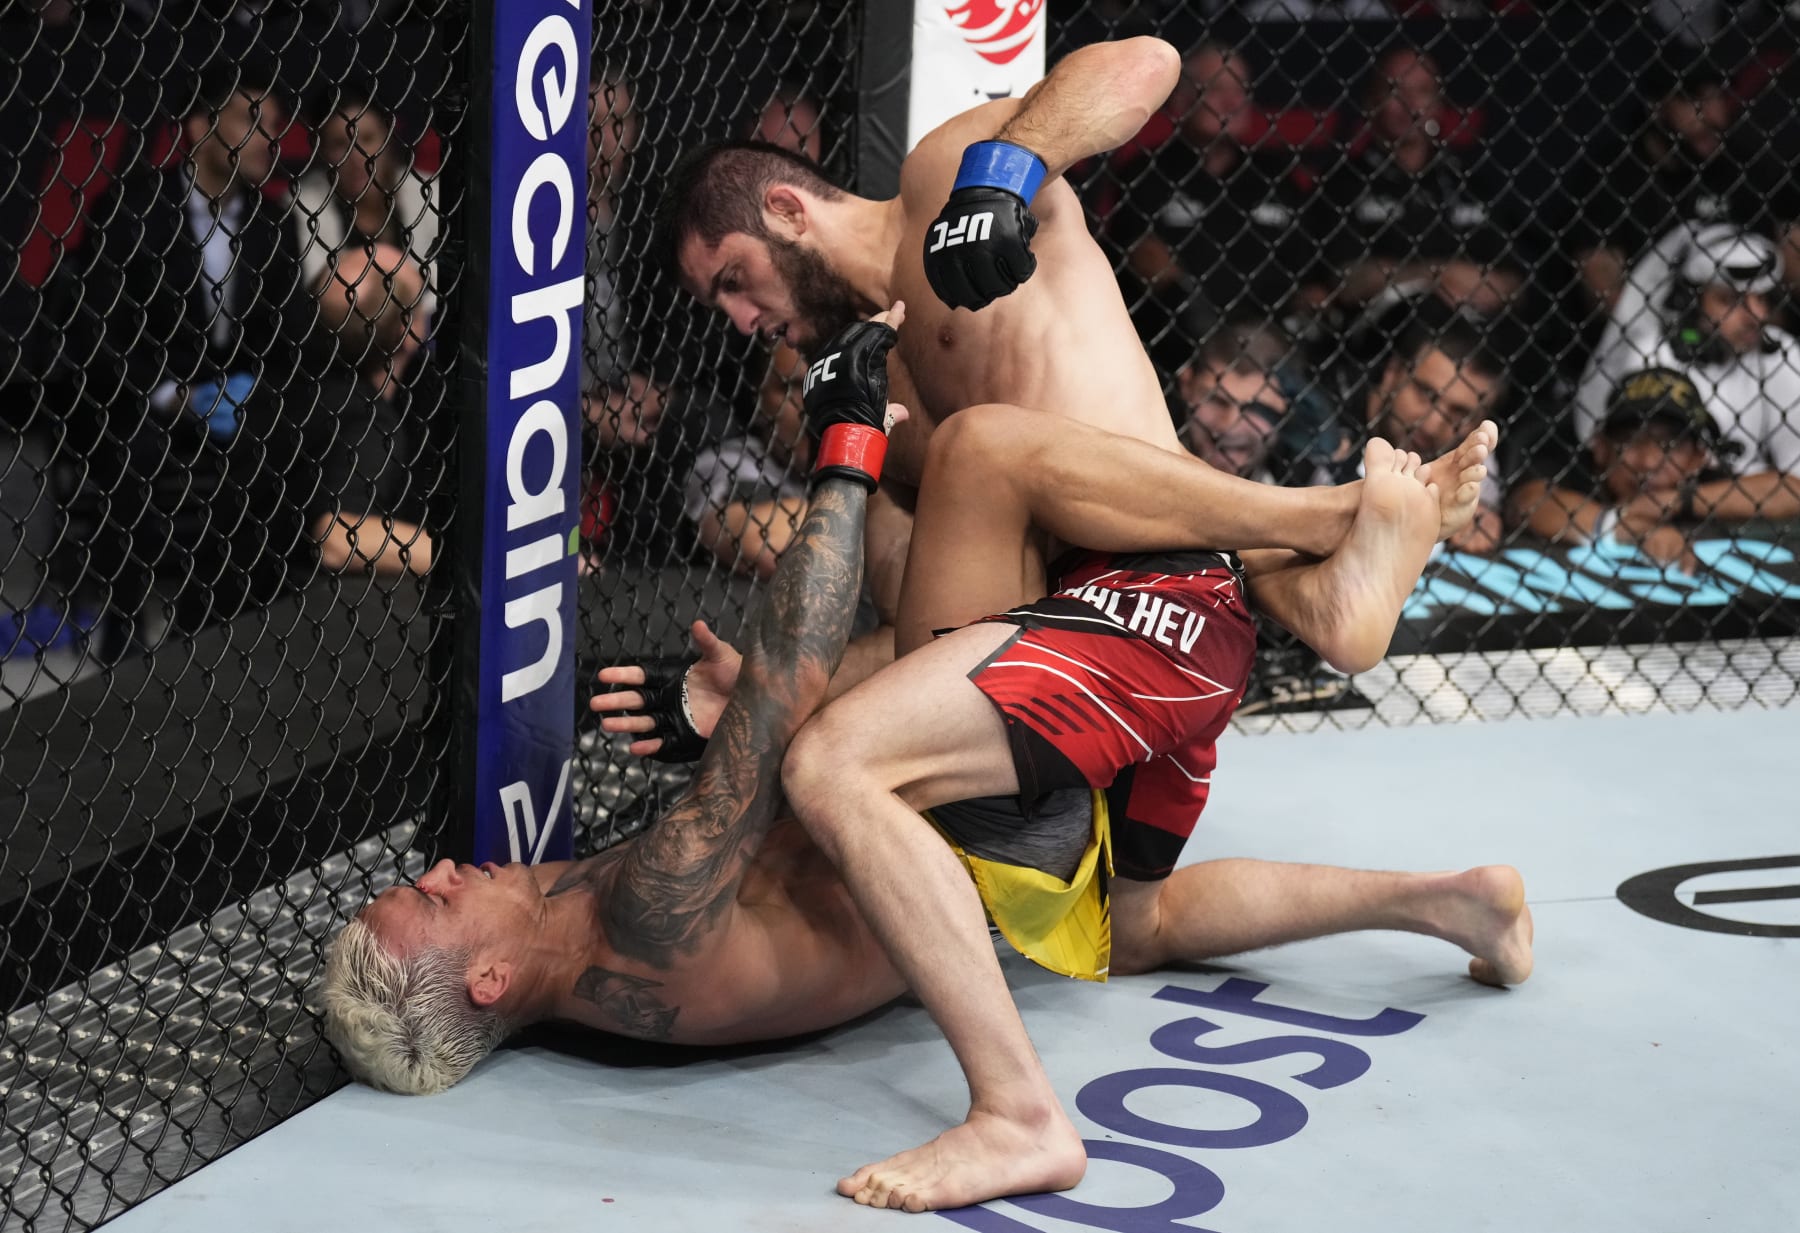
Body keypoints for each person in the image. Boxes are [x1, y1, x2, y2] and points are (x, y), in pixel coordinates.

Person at [651, 35, 1516, 1211]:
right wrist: (771, 685)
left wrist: (1008, 175)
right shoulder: (880, 384)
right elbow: (937, 638)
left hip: (1150, 603)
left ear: (787, 210)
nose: (741, 319)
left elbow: (1142, 64)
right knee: (1130, 921)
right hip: (1107, 641)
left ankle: (1328, 528)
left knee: (965, 484)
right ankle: (1451, 897)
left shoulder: (946, 175)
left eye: (732, 281)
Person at [322, 333, 1529, 1105]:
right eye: (433, 900)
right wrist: (844, 445)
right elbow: (793, 691)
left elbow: (773, 757)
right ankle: (1331, 537)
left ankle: (1449, 898)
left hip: (991, 853)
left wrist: (736, 727)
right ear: (490, 980)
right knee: (985, 457)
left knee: (1139, 927)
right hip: (985, 817)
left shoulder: (573, 924)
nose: (439, 868)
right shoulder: (637, 923)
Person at [1574, 222, 1800, 545]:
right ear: (1688, 302)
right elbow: (1638, 483)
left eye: (1762, 299)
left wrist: (1689, 499)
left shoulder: (1777, 352)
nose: (1755, 315)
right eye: (1731, 300)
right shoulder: (1650, 353)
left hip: (1751, 529)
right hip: (1668, 529)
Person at [1508, 366, 1740, 571]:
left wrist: (1680, 500)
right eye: (1632, 440)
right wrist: (1629, 529)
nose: (1649, 462)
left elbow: (1763, 492)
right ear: (1601, 447)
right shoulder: (1576, 469)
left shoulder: (1710, 486)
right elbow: (1527, 503)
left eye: (1670, 444)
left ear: (1698, 458)